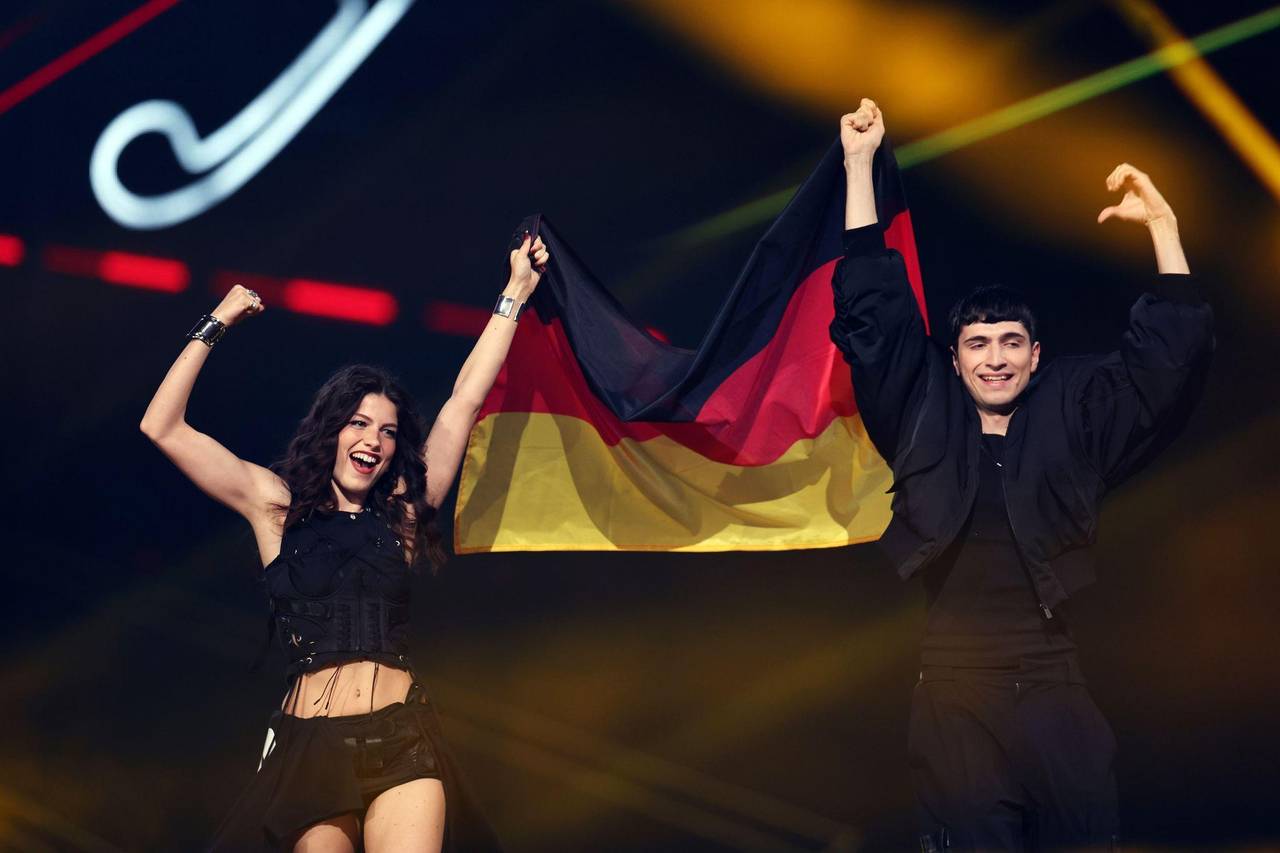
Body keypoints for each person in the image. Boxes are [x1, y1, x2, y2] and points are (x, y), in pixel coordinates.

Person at [829, 99, 1213, 850]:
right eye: (978, 343)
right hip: (953, 688)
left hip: (1051, 682)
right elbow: (874, 311)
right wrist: (858, 164)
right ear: (954, 358)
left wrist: (1165, 229)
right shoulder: (922, 411)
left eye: (1011, 343)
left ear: (1036, 356)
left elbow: (1165, 366)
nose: (996, 358)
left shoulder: (1072, 412)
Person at [140, 233, 550, 852]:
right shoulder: (275, 508)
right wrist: (218, 320)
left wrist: (514, 292)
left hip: (402, 737)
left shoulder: (403, 514)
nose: (373, 441)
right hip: (310, 749)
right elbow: (162, 426)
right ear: (332, 431)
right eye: (359, 423)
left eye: (387, 431)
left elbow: (464, 402)